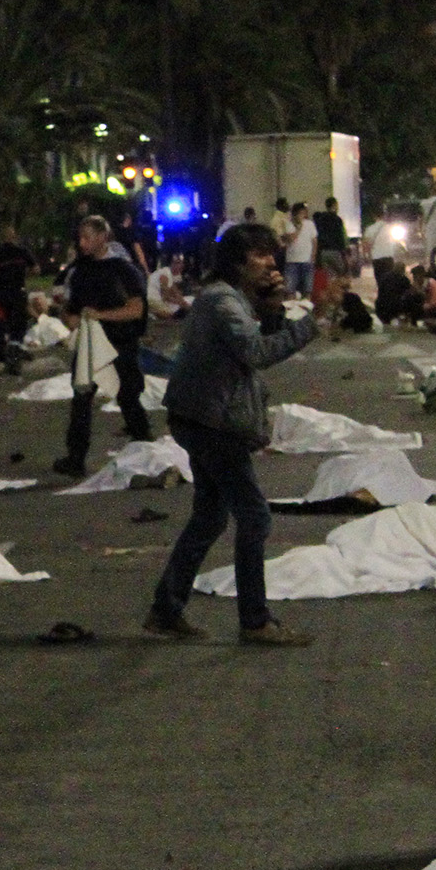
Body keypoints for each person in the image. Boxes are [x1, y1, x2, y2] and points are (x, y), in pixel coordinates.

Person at [144, 222, 321, 646]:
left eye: (270, 254)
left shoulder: (230, 299)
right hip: (211, 421)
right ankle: (255, 620)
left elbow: (258, 336)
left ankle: (167, 608)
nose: (270, 262)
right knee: (254, 516)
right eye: (259, 255)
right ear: (237, 262)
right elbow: (256, 352)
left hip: (200, 416)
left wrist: (275, 304)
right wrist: (312, 324)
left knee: (209, 516)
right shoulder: (222, 301)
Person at [54, 214, 153, 476]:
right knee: (82, 398)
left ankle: (147, 448)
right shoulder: (79, 271)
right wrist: (75, 321)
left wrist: (100, 317)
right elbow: (68, 310)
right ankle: (75, 458)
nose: (83, 243)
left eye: (88, 237)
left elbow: (135, 309)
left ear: (102, 237)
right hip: (91, 344)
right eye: (81, 237)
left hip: (121, 342)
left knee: (128, 396)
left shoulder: (124, 270)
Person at [0, 228, 35, 343]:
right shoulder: (22, 252)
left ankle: (1, 348)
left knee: (0, 323)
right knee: (18, 324)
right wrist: (23, 274)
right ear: (14, 237)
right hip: (18, 291)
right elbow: (36, 269)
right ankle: (15, 347)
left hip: (1, 292)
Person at [312, 195, 350, 291]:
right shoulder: (337, 219)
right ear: (334, 205)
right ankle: (341, 293)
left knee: (328, 276)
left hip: (323, 252)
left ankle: (330, 293)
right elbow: (341, 236)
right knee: (341, 273)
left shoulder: (321, 219)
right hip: (335, 251)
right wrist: (345, 251)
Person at [283, 202, 318, 298]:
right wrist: (298, 228)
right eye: (300, 213)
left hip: (307, 261)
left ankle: (307, 309)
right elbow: (290, 239)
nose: (302, 215)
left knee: (307, 290)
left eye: (304, 212)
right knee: (290, 290)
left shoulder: (310, 224)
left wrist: (313, 256)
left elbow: (314, 241)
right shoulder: (288, 224)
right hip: (292, 261)